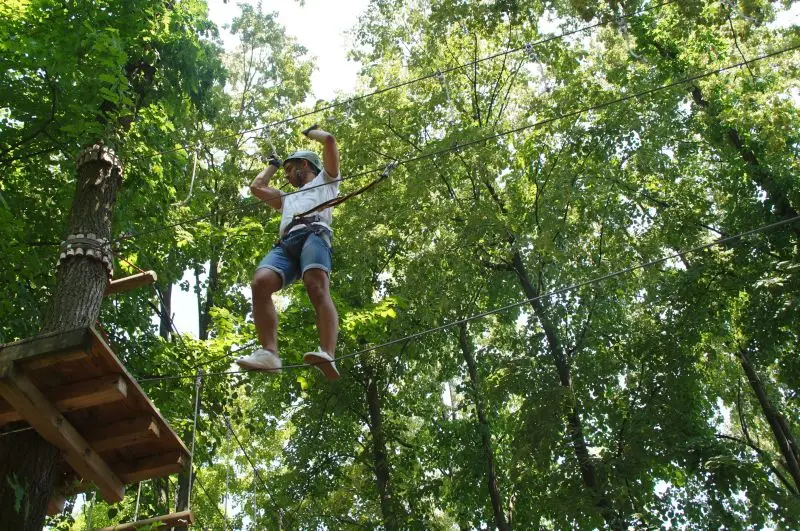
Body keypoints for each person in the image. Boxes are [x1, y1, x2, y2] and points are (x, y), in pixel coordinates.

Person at [235, 125, 341, 381]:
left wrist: (310, 132)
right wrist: (273, 164)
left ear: (304, 164)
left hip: (314, 233)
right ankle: (270, 354)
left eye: (289, 170)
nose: (286, 176)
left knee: (316, 286)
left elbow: (329, 141)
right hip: (287, 242)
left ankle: (327, 352)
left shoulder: (326, 180)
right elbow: (257, 187)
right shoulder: (287, 199)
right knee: (260, 283)